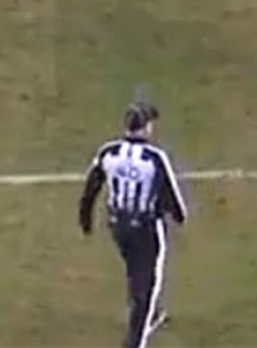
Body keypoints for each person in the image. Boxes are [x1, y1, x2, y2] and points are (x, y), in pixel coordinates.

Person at [78, 96, 187, 348]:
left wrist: (85, 218)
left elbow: (91, 187)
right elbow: (169, 194)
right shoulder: (154, 157)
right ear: (146, 127)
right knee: (147, 283)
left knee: (134, 269)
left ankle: (148, 310)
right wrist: (179, 216)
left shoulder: (109, 151)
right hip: (146, 229)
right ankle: (136, 340)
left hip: (118, 225)